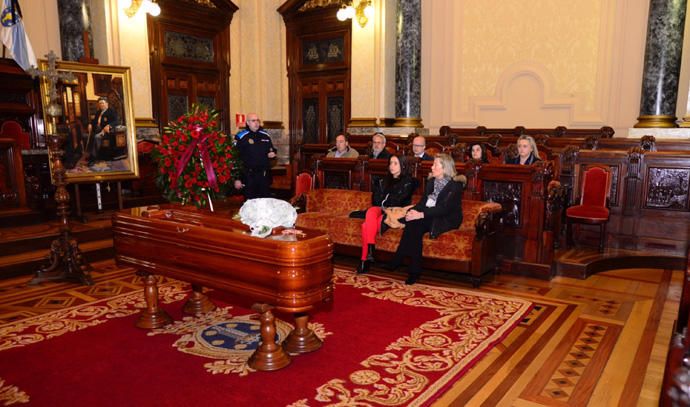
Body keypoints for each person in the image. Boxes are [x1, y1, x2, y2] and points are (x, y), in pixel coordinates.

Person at [386, 154, 465, 285]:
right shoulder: (431, 182)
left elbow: (443, 209)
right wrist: (412, 211)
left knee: (414, 223)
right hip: (428, 215)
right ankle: (413, 271)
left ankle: (399, 260)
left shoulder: (455, 186)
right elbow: (423, 203)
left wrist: (420, 215)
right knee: (413, 225)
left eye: (435, 165)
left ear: (444, 168)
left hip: (445, 219)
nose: (432, 167)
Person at [356, 154, 416, 275]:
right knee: (371, 211)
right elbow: (376, 200)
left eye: (395, 163)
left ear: (403, 165)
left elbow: (398, 200)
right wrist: (382, 200)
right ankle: (371, 249)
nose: (391, 166)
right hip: (380, 209)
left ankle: (364, 260)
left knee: (365, 226)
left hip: (394, 212)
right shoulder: (383, 180)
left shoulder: (409, 182)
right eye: (390, 163)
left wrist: (386, 202)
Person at [234, 113, 277, 199]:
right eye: (253, 121)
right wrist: (237, 178)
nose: (256, 123)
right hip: (248, 176)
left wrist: (273, 154)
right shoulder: (241, 136)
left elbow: (272, 150)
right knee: (250, 205)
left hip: (264, 176)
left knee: (265, 203)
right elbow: (235, 158)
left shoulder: (265, 135)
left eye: (258, 120)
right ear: (247, 122)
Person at [86, 96, 119, 166]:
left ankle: (93, 158)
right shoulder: (98, 112)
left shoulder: (111, 111)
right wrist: (90, 124)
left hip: (106, 132)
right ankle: (91, 154)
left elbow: (116, 121)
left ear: (107, 103)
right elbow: (94, 121)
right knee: (90, 136)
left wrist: (109, 125)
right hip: (97, 130)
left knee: (97, 137)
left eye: (103, 103)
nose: (101, 105)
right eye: (100, 103)